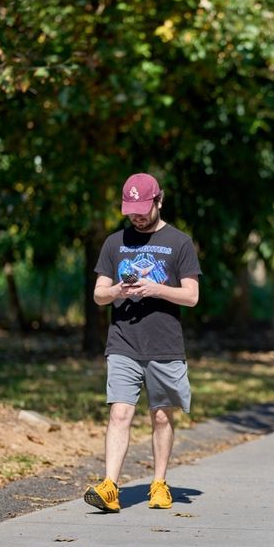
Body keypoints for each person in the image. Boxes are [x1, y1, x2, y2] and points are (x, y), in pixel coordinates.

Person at [84, 172, 201, 513]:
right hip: (123, 342)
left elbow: (192, 296)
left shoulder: (180, 243)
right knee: (120, 413)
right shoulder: (114, 243)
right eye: (130, 208)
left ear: (158, 201)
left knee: (162, 417)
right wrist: (119, 290)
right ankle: (110, 487)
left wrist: (156, 289)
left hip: (164, 345)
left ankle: (160, 483)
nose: (136, 215)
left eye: (142, 207)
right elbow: (99, 295)